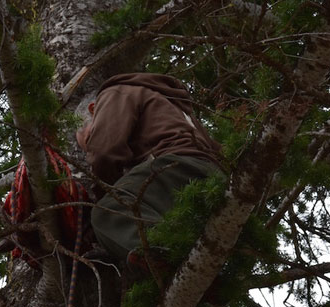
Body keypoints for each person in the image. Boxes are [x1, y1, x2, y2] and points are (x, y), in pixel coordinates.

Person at [76, 72, 222, 268]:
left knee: (107, 212)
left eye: (88, 140)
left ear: (94, 110)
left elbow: (105, 152)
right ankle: (198, 275)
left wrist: (104, 195)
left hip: (176, 165)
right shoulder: (173, 108)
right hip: (210, 177)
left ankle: (165, 258)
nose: (89, 151)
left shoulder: (115, 92)